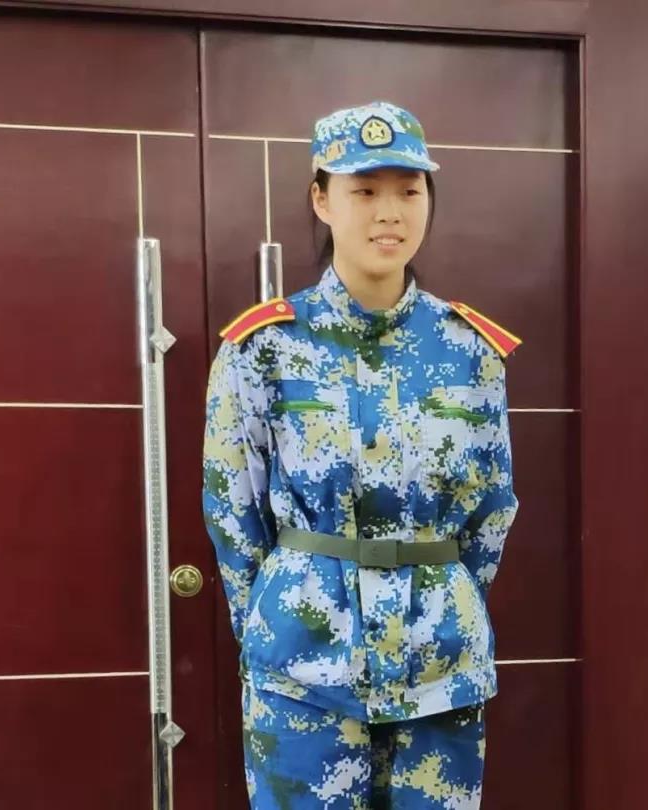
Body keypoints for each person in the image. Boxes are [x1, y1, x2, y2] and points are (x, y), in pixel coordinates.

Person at [203, 101, 521, 809]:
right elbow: (232, 511)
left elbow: (491, 509)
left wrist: (444, 603)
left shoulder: (470, 351)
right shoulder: (264, 347)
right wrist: (276, 622)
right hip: (304, 668)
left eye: (409, 191)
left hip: (439, 668)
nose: (389, 213)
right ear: (322, 200)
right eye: (365, 190)